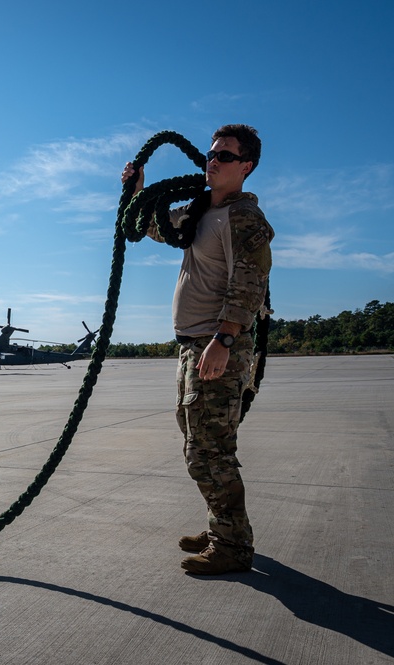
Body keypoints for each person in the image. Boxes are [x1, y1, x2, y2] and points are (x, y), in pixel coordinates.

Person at [121, 124, 273, 575]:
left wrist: (223, 341)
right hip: (194, 346)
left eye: (224, 156)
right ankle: (222, 527)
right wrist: (137, 190)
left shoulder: (245, 219)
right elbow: (150, 226)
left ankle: (232, 546)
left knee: (209, 450)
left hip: (216, 346)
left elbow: (249, 285)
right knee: (199, 444)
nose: (212, 161)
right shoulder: (204, 211)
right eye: (211, 154)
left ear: (245, 167)